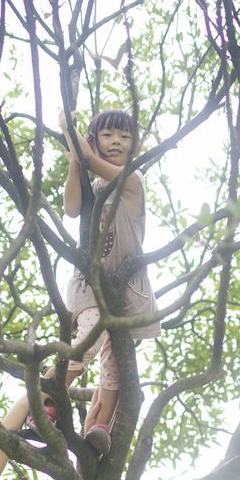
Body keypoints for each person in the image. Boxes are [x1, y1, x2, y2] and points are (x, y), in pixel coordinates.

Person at [33, 107, 161, 454]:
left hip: (127, 287)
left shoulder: (133, 181)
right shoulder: (91, 185)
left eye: (124, 136)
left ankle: (100, 425)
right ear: (94, 140)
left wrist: (68, 130)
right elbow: (72, 207)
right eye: (107, 135)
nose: (116, 141)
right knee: (87, 339)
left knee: (116, 364)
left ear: (136, 145)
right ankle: (44, 401)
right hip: (92, 284)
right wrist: (74, 159)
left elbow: (90, 160)